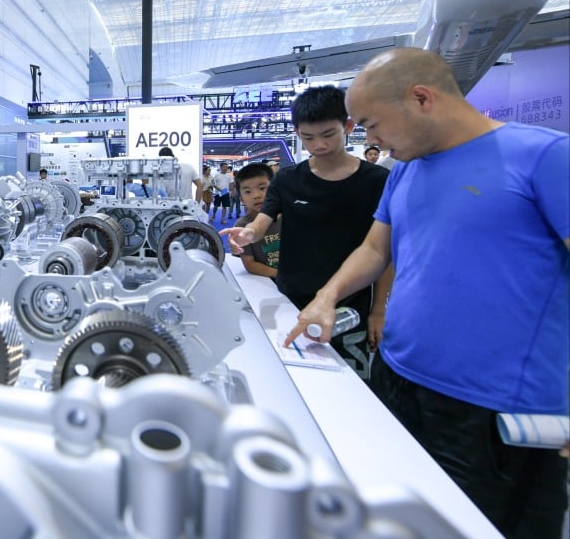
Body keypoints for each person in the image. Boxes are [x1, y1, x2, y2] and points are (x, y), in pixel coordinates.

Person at [283, 48, 569, 537]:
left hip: (493, 414)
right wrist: (327, 295)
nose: (369, 139)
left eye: (372, 124)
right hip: (396, 382)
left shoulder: (545, 157)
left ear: (421, 98)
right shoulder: (408, 170)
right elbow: (376, 249)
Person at [223, 85, 391, 380]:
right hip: (291, 301)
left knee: (351, 384)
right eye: (308, 137)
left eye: (328, 135)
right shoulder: (288, 179)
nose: (319, 145)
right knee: (294, 381)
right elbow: (263, 220)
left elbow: (383, 252)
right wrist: (250, 234)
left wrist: (379, 310)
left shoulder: (377, 181)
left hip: (349, 308)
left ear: (348, 126)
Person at [232, 163, 279, 279]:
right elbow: (250, 264)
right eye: (248, 192)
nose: (256, 195)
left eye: (262, 188)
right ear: (241, 199)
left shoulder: (288, 216)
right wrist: (283, 276)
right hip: (265, 282)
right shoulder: (242, 226)